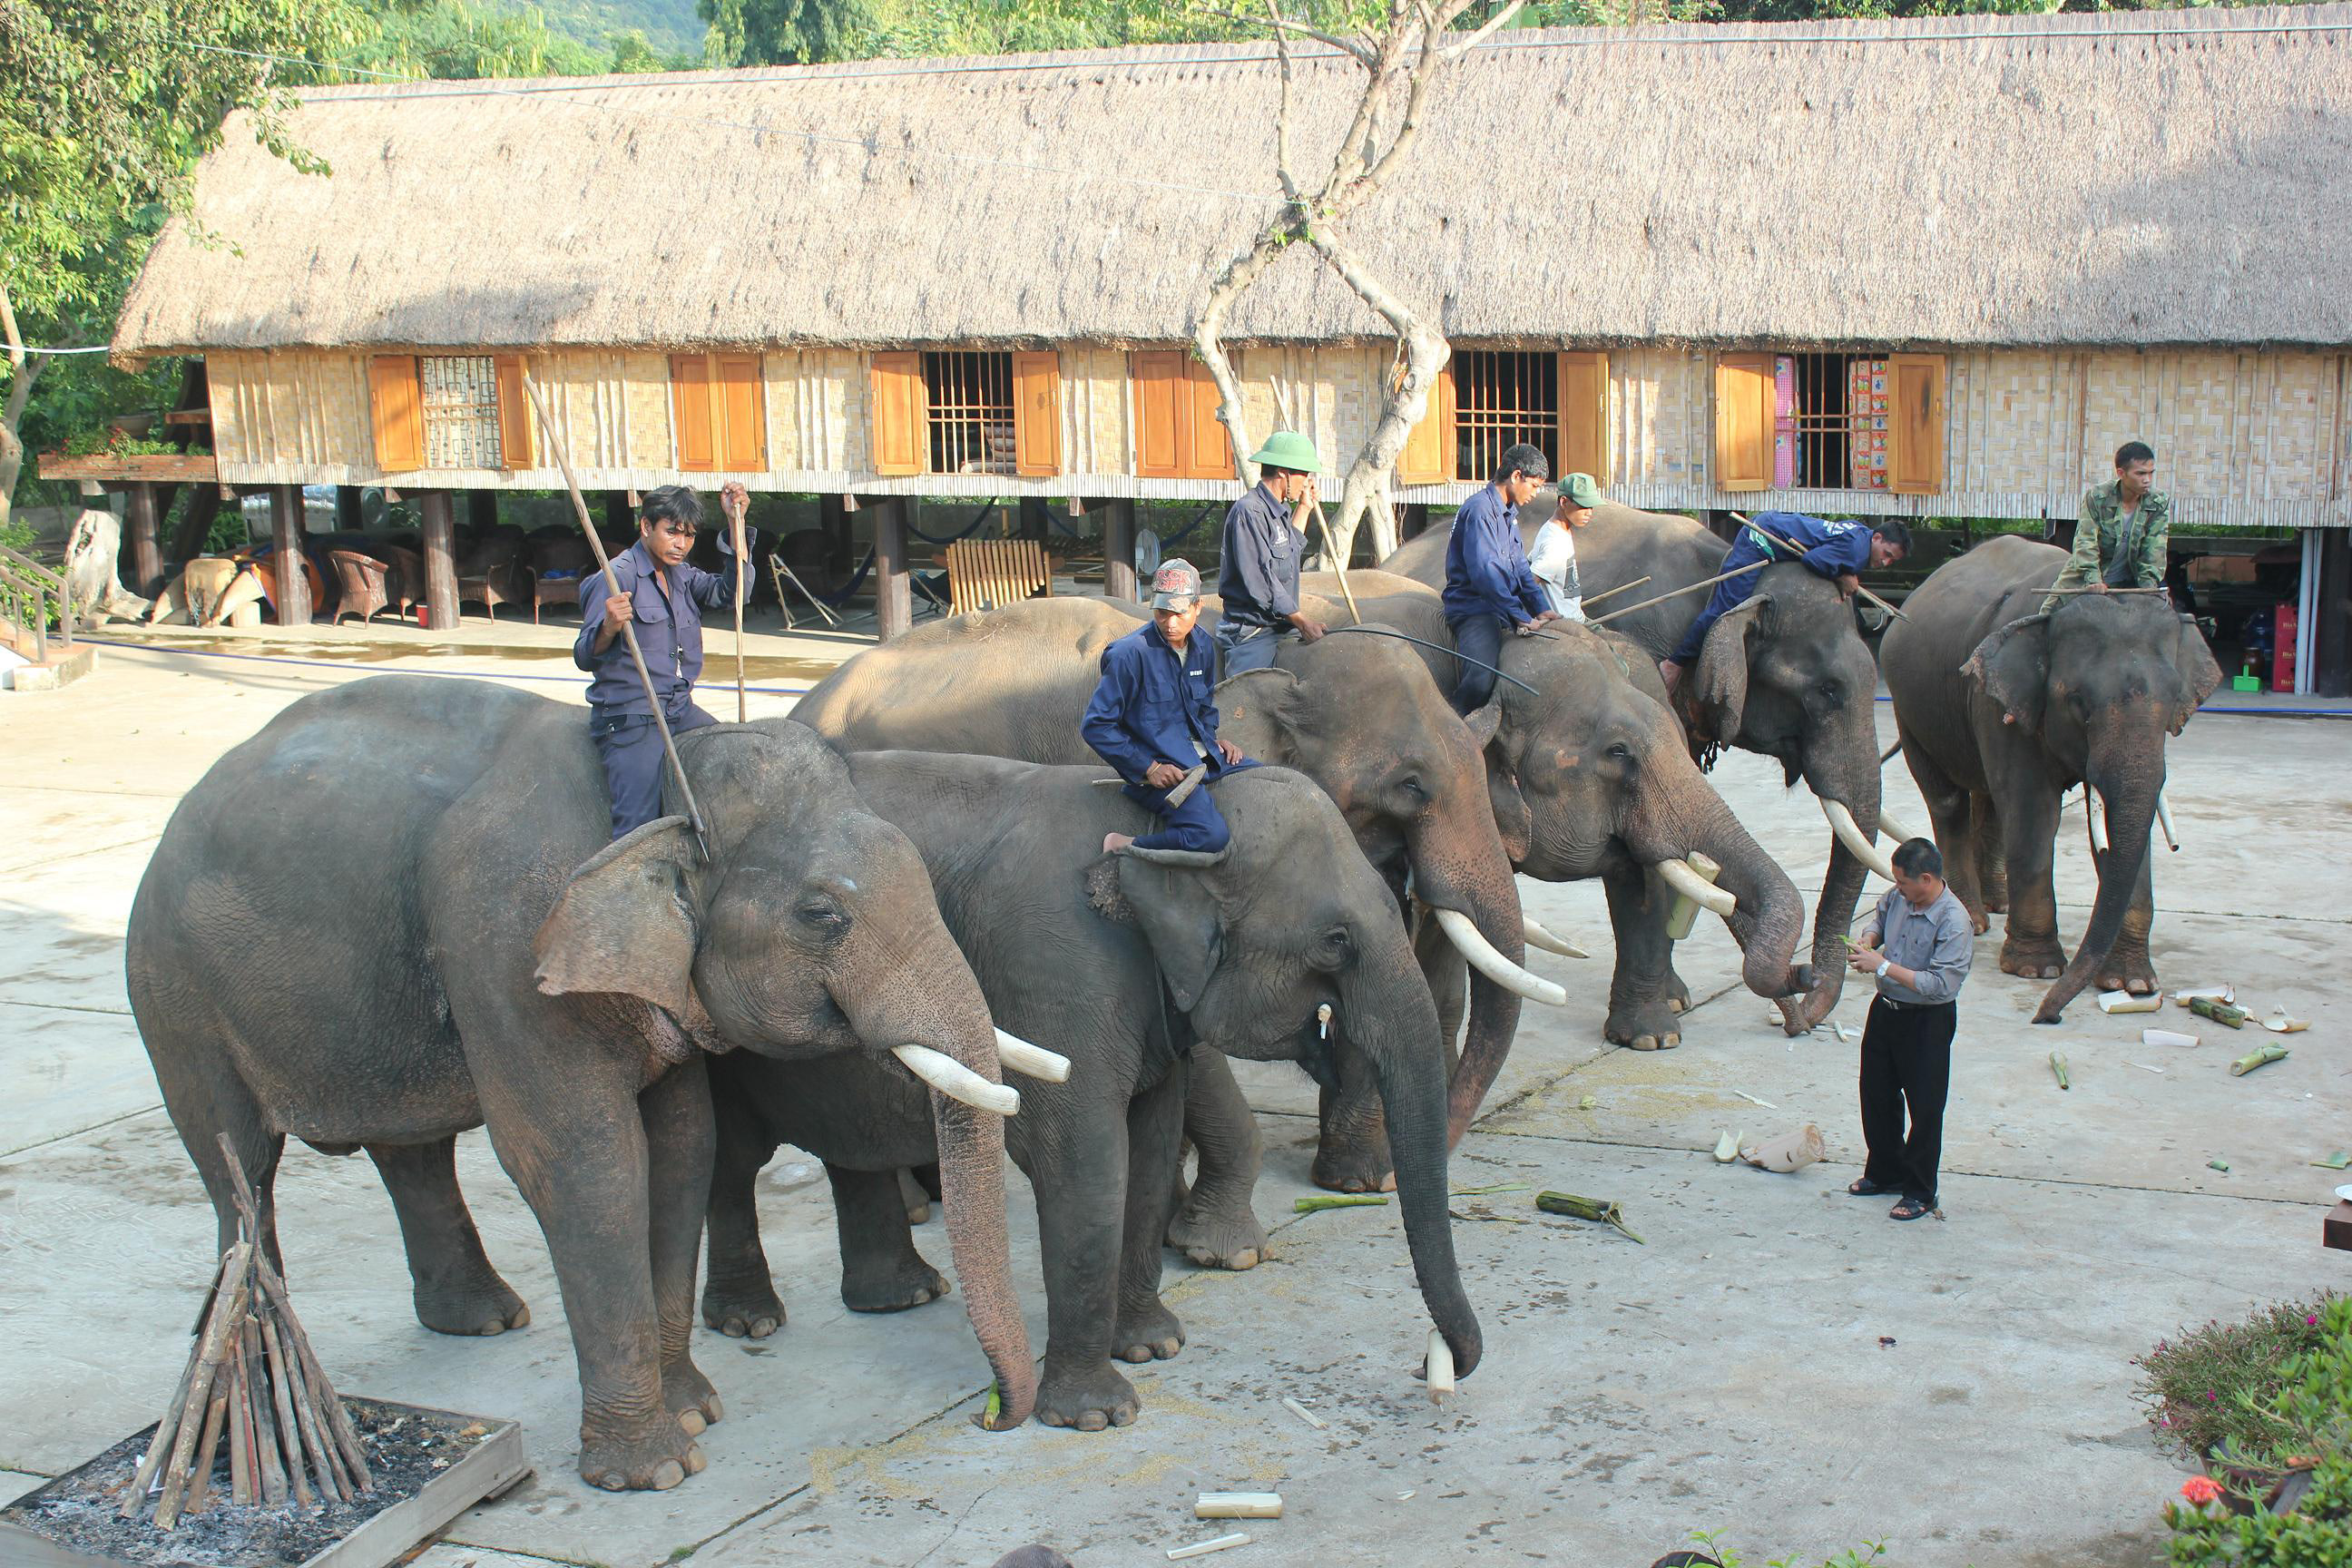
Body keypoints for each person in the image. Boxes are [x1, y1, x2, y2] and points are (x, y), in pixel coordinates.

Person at [574, 483, 743, 838]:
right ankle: (626, 890)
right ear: (646, 527)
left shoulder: (680, 575)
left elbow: (729, 592)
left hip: (678, 708)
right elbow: (583, 655)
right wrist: (608, 626)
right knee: (638, 828)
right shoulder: (615, 577)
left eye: (690, 535)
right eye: (672, 532)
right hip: (632, 713)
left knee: (735, 759)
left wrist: (735, 525)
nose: (681, 544)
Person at [1083, 559, 1254, 857]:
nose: (1170, 623)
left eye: (1179, 612)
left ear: (1197, 607)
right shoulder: (1128, 655)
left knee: (1271, 777)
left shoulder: (1202, 645)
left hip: (1201, 756)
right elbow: (1096, 726)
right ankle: (1126, 845)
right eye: (1162, 613)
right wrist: (1149, 768)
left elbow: (1203, 707)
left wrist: (1211, 741)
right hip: (1162, 769)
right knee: (1210, 836)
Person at [1845, 838, 1975, 1222]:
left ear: (1927, 878)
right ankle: (1884, 1171)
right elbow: (1879, 919)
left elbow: (1940, 985)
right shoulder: (1898, 897)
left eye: (1903, 882)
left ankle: (1920, 1191)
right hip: (1886, 1011)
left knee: (1925, 1106)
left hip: (1926, 1021)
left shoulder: (1954, 922)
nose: (1896, 889)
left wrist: (1881, 966)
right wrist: (1869, 940)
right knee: (1876, 1094)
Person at [1659, 512, 1911, 691]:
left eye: (1892, 561)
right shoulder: (1857, 553)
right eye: (1886, 554)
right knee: (1725, 609)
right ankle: (1674, 663)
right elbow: (1813, 560)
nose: (1885, 562)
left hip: (1771, 522)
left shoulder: (1860, 533)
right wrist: (1843, 575)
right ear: (1876, 538)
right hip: (1761, 540)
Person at [1441, 442, 1561, 713]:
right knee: (1482, 679)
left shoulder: (1508, 514)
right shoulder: (1480, 510)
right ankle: (1455, 723)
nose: (1535, 493)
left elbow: (1519, 566)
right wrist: (1519, 615)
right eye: (1534, 485)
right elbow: (1486, 574)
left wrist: (1540, 608)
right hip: (1475, 607)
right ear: (1516, 476)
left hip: (1501, 605)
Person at [1215, 430, 1328, 675]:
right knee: (1250, 704)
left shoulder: (1279, 510)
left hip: (1281, 626)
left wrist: (1305, 508)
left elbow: (1289, 552)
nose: (1308, 481)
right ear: (1283, 473)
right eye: (1304, 474)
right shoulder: (1249, 512)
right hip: (1252, 632)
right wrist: (1301, 620)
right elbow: (1262, 581)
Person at [2043, 440, 2170, 612]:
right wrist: (2093, 580)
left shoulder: (2158, 502)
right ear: (2121, 473)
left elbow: (2155, 549)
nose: (2147, 480)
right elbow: (2085, 541)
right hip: (2090, 575)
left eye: (2150, 473)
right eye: (2140, 473)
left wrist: (2149, 586)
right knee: (2048, 612)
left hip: (2132, 579)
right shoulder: (2098, 497)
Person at [1527, 471, 1602, 621]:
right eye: (1583, 506)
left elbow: (1530, 560)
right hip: (1568, 622)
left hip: (1576, 614)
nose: (1589, 513)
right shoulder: (1555, 543)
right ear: (1564, 502)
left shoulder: (1557, 528)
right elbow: (1529, 582)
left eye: (1591, 507)